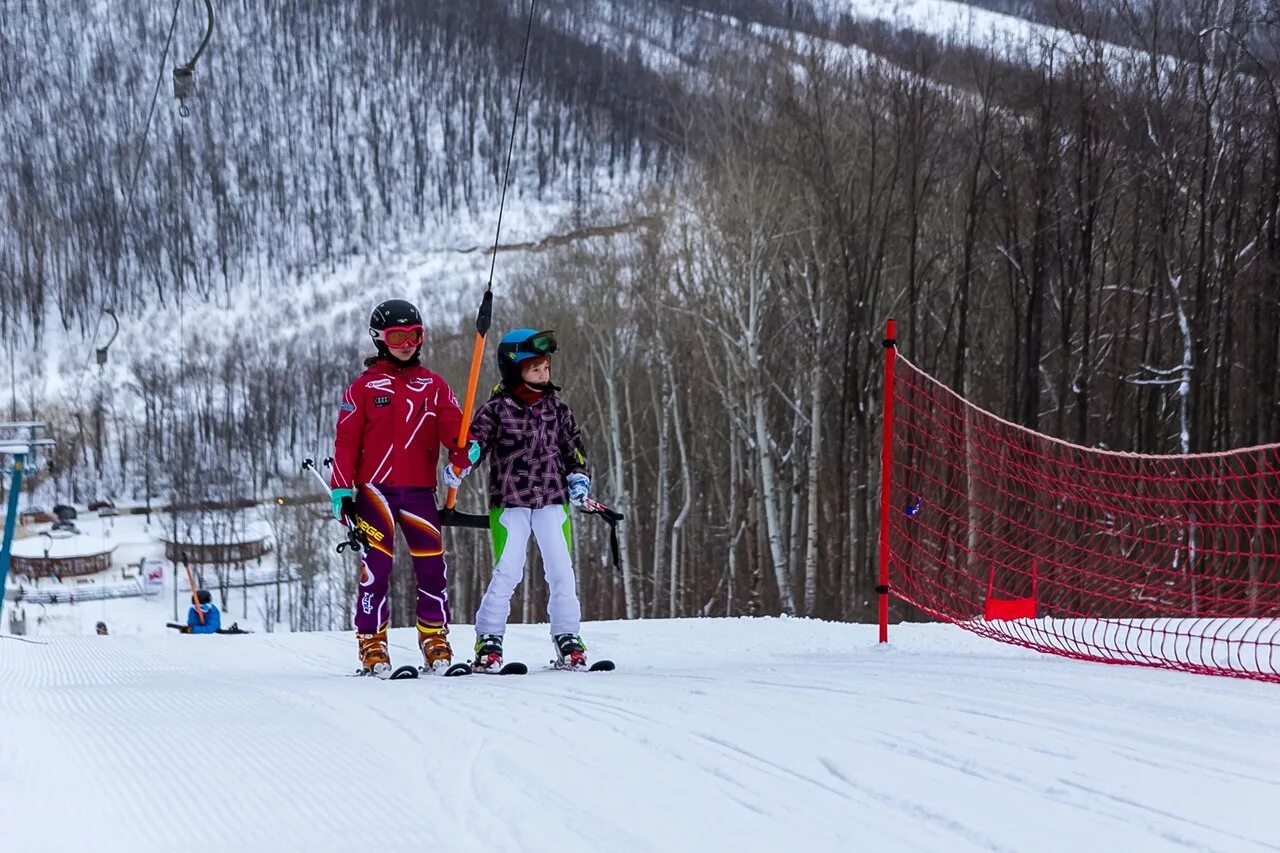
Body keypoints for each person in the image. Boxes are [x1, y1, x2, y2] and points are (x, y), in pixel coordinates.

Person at [330, 299, 478, 678]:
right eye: (397, 335)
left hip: (418, 492)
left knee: (431, 567)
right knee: (376, 568)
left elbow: (454, 430)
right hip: (375, 493)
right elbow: (346, 441)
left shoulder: (434, 386)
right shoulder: (364, 388)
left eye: (414, 335)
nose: (407, 343)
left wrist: (466, 450)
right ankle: (372, 642)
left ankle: (433, 636)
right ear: (379, 338)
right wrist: (341, 489)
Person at [455, 329, 593, 671]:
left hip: (552, 501)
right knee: (508, 571)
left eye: (546, 368)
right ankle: (489, 639)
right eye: (535, 368)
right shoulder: (495, 410)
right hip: (510, 502)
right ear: (513, 368)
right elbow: (477, 443)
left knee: (562, 570)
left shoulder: (557, 410)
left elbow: (572, 448)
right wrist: (464, 461)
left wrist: (577, 476)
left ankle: (568, 637)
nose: (543, 374)